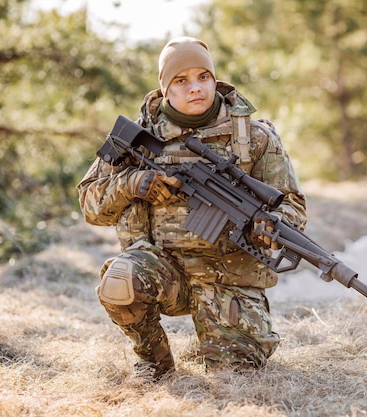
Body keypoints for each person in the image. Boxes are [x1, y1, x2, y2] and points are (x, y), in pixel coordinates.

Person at [77, 37, 306, 381]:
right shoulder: (137, 139)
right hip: (163, 268)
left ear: (215, 80)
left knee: (235, 377)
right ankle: (153, 361)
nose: (195, 88)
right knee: (121, 281)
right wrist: (132, 184)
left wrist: (269, 226)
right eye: (181, 80)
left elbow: (293, 206)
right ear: (165, 89)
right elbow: (90, 206)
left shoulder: (254, 137)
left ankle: (225, 334)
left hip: (229, 275)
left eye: (203, 77)